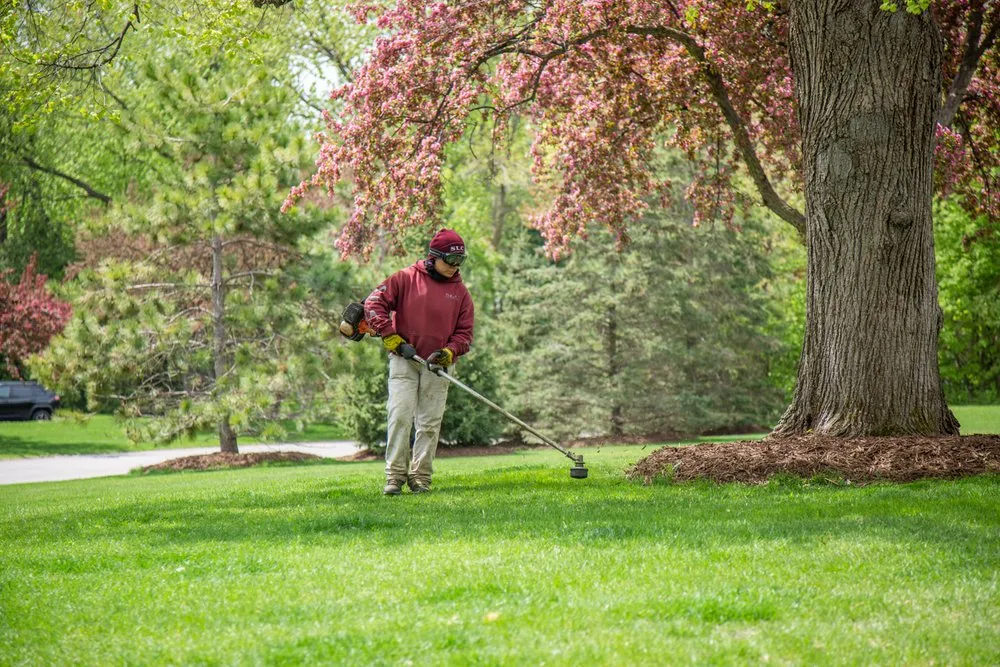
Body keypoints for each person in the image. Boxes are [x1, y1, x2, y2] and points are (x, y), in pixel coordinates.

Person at [363, 228, 474, 495]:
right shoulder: (405, 279)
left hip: (437, 366)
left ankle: (421, 477)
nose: (455, 267)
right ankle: (394, 477)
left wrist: (449, 352)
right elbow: (373, 304)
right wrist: (390, 336)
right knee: (399, 416)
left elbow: (464, 334)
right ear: (433, 257)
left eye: (460, 261)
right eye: (450, 260)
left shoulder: (460, 293)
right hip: (405, 359)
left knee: (429, 423)